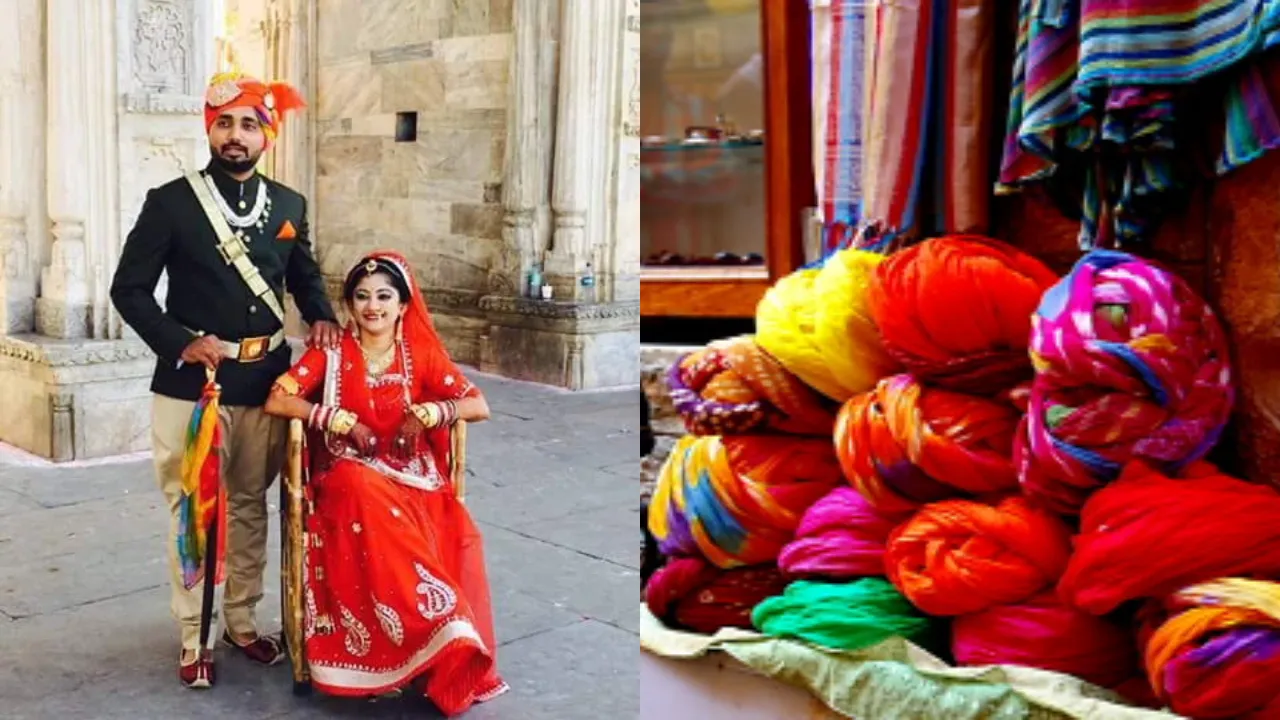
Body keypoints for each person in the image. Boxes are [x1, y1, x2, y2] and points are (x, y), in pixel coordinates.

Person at [110, 71, 341, 688]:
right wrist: (182, 342)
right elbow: (128, 290)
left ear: (267, 134)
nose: (234, 136)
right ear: (209, 129)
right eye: (224, 124)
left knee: (249, 506)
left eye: (247, 124)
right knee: (194, 512)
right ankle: (195, 634)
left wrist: (320, 315)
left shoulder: (289, 205)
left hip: (266, 382)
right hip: (193, 387)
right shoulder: (171, 203)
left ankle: (242, 620)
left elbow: (305, 278)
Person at [263, 250, 508, 714]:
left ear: (403, 304)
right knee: (358, 484)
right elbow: (279, 399)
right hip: (346, 475)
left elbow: (478, 404)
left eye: (383, 296)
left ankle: (437, 636)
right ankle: (436, 624)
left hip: (412, 478)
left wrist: (432, 413)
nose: (372, 306)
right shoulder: (330, 353)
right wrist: (335, 419)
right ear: (349, 305)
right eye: (361, 297)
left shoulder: (420, 354)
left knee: (410, 509)